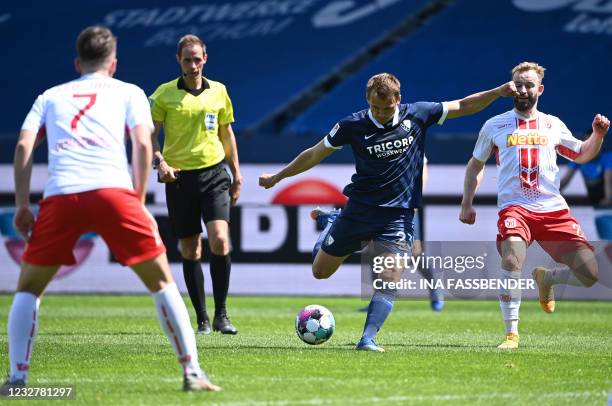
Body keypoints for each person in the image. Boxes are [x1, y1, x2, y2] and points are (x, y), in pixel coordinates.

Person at [0, 27, 220, 393]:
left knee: (28, 289)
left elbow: (24, 147)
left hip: (63, 196)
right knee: (161, 282)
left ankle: (18, 379)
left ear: (77, 62)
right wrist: (137, 198)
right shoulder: (129, 92)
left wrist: (23, 204)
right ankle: (192, 372)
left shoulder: (50, 96)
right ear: (113, 63)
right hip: (113, 194)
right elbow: (142, 144)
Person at [260, 72, 516, 352]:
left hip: (398, 216)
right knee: (320, 272)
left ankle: (367, 338)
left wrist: (497, 91)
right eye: (375, 108)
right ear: (367, 101)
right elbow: (314, 153)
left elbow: (463, 106)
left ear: (398, 100)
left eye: (387, 108)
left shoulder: (418, 114)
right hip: (358, 210)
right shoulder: (351, 125)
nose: (381, 114)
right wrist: (278, 177)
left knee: (390, 277)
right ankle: (332, 225)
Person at [459, 62, 610, 349]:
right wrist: (467, 202)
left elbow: (581, 154)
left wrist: (597, 135)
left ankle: (548, 278)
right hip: (515, 208)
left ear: (539, 89)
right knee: (512, 259)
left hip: (553, 210)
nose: (523, 89)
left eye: (529, 84)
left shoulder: (553, 125)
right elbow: (475, 166)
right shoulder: (495, 125)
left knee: (590, 275)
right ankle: (511, 334)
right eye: (518, 84)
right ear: (511, 87)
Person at [149, 34, 241, 335]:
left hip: (214, 174)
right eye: (187, 59)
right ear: (179, 61)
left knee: (220, 240)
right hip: (179, 178)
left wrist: (236, 173)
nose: (193, 64)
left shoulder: (219, 91)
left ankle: (222, 315)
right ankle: (202, 317)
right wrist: (159, 162)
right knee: (190, 248)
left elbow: (227, 134)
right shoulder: (163, 95)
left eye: (197, 58)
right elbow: (148, 136)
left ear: (205, 58)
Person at [560, 129, 612, 208]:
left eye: (594, 143)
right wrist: (553, 194)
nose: (591, 147)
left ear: (600, 144)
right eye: (588, 143)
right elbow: (566, 179)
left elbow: (609, 181)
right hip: (594, 198)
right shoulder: (578, 157)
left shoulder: (608, 157)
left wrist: (608, 199)